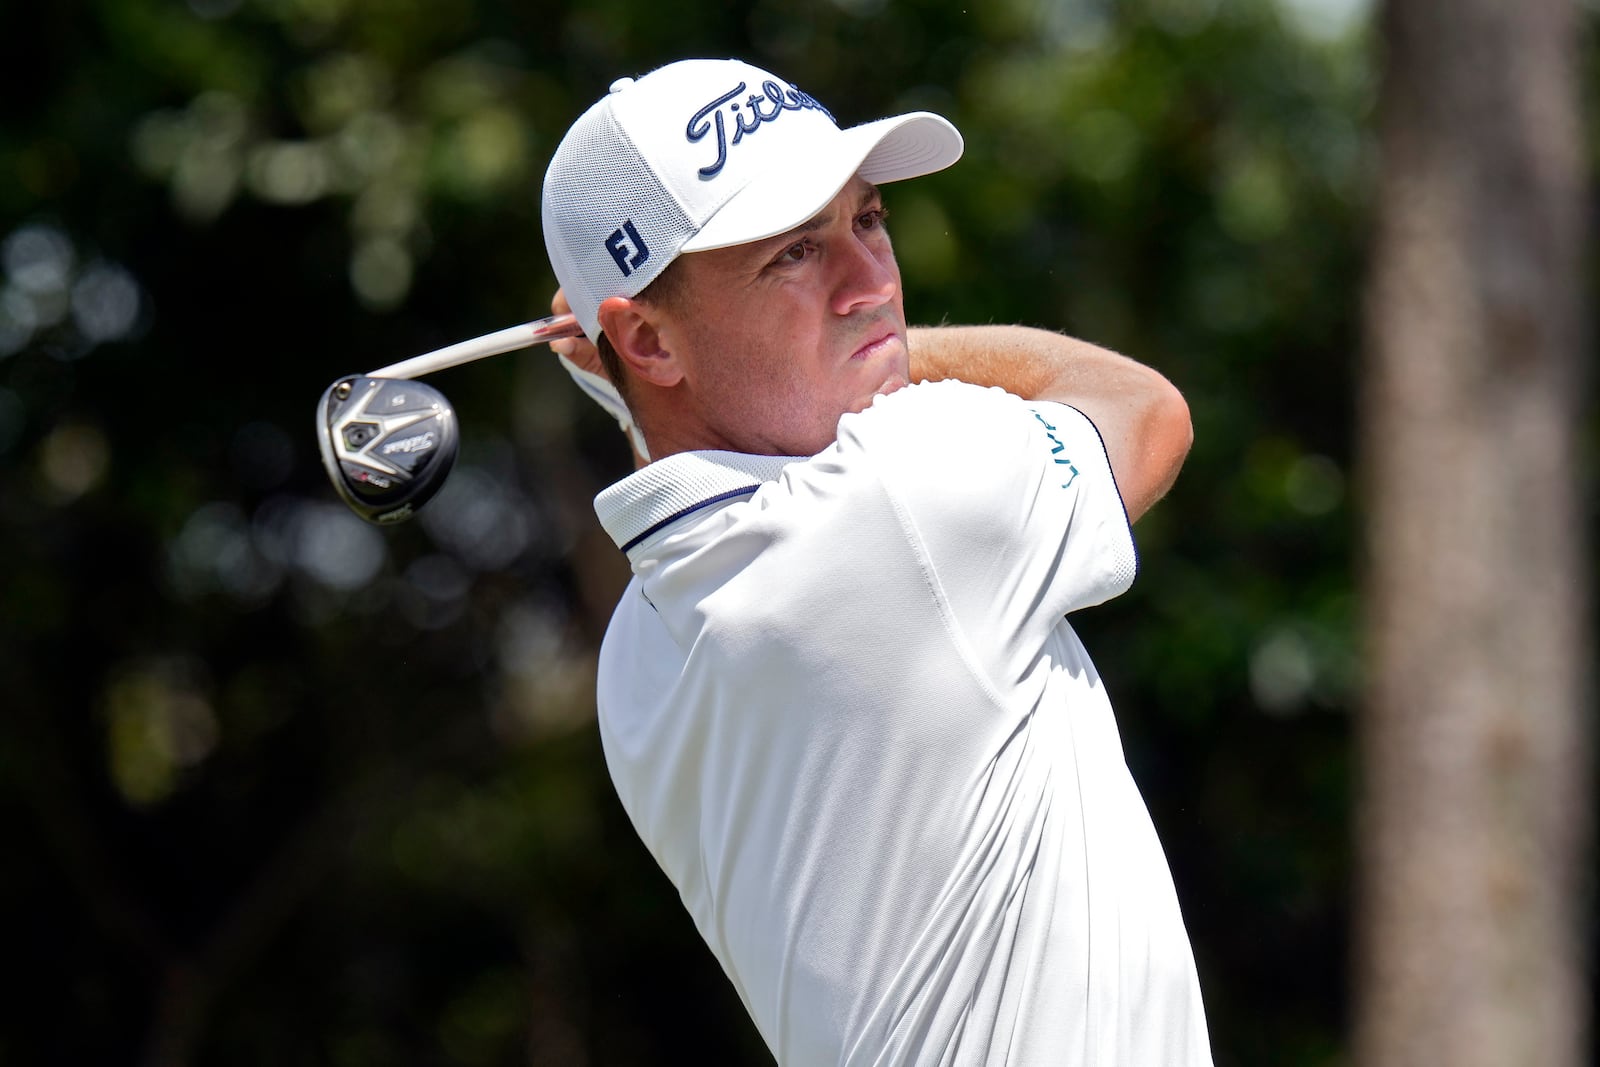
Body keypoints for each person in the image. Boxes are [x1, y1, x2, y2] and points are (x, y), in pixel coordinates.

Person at [540, 58, 1212, 1065]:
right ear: (646, 340)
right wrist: (895, 348)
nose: (872, 282)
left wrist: (640, 369)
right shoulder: (909, 496)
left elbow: (706, 440)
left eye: (867, 218)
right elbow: (1143, 410)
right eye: (795, 253)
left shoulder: (640, 650)